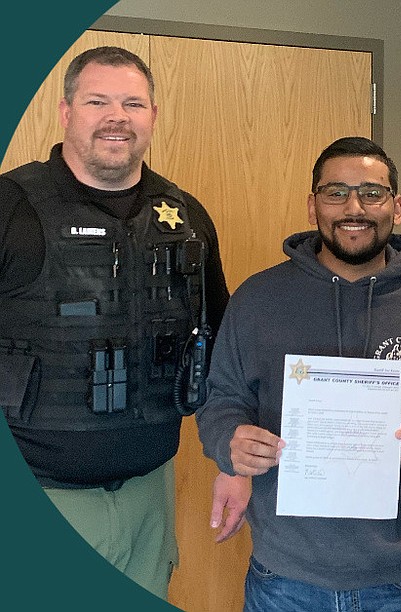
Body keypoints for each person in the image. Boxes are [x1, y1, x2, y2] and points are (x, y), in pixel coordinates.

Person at [195, 136, 401, 611]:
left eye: (372, 193)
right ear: (313, 204)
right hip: (285, 577)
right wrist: (227, 441)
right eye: (335, 192)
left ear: (396, 207)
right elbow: (221, 400)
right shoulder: (258, 300)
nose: (353, 207)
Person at [0, 46, 233, 597]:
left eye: (134, 102)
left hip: (149, 493)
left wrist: (234, 458)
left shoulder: (185, 215)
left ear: (152, 116)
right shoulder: (10, 205)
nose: (117, 116)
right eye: (98, 100)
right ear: (65, 112)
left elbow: (223, 346)